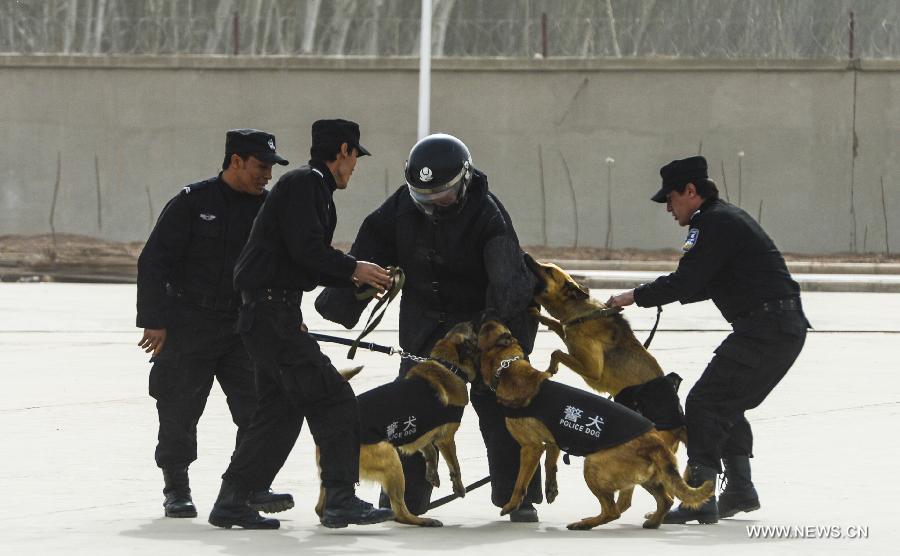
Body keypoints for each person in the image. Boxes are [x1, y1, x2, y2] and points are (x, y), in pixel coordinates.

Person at [315, 133, 543, 522]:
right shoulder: (400, 209)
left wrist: (492, 338)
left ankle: (517, 496)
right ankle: (403, 499)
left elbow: (507, 284)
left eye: (443, 194)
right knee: (414, 406)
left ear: (465, 180)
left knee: (501, 406)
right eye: (424, 196)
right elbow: (367, 254)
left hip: (482, 325)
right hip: (425, 329)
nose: (434, 203)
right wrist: (342, 298)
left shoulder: (488, 213)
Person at [207, 119, 395, 530]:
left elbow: (297, 260)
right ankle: (340, 499)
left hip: (274, 315)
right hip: (269, 315)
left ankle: (233, 500)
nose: (354, 167)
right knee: (335, 399)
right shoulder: (305, 184)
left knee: (280, 411)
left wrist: (345, 280)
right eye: (355, 158)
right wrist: (354, 269)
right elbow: (307, 251)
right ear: (343, 152)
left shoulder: (312, 190)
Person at [607, 155, 810, 524]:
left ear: (690, 191)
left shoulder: (712, 223)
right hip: (777, 327)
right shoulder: (724, 219)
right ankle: (740, 490)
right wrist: (652, 295)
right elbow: (705, 282)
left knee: (704, 402)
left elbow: (686, 281)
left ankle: (700, 496)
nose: (668, 208)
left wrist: (633, 296)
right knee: (725, 403)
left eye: (670, 199)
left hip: (766, 328)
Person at [136, 129, 293, 519]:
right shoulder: (193, 202)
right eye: (261, 166)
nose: (267, 176)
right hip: (190, 321)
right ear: (236, 161)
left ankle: (246, 487)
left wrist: (290, 321)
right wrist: (154, 321)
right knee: (179, 407)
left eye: (271, 168)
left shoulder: (270, 209)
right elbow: (155, 260)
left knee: (258, 409)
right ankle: (176, 487)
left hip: (245, 324)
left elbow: (286, 270)